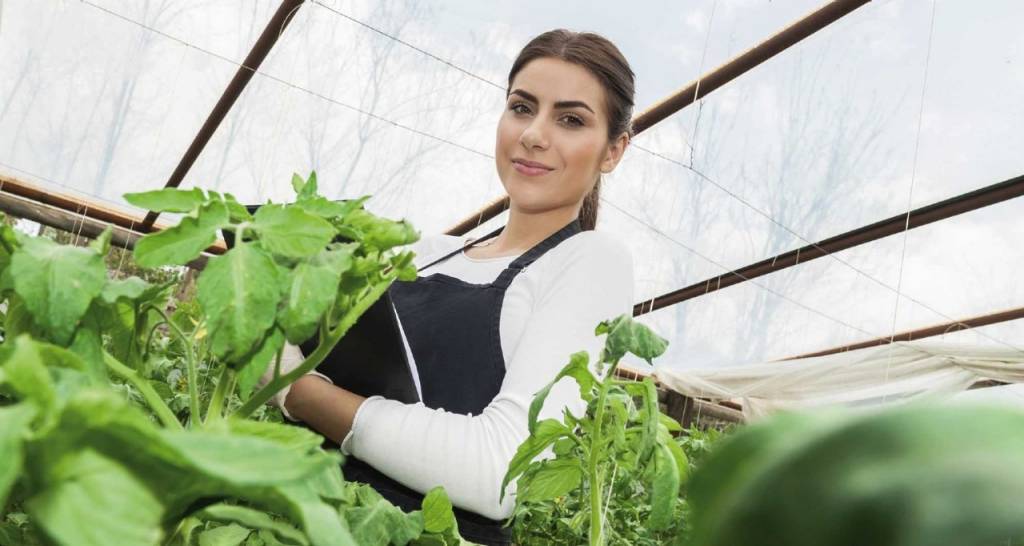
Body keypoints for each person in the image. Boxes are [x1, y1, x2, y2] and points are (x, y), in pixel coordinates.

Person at [271, 29, 636, 545]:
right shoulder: (423, 251)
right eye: (521, 107)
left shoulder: (590, 262)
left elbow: (498, 474)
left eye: (571, 119)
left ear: (613, 151)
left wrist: (300, 393)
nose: (534, 134)